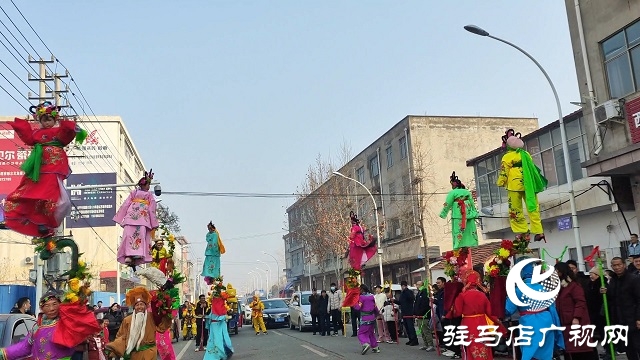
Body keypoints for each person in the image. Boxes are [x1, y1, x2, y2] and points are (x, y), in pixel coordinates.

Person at [4, 102, 86, 237]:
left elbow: (67, 134)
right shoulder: (36, 133)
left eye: (50, 119)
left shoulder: (58, 132)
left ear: (55, 120)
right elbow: (28, 138)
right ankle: (26, 215)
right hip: (38, 167)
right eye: (44, 119)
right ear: (39, 120)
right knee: (30, 190)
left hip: (54, 167)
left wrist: (71, 127)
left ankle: (44, 222)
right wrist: (19, 126)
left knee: (49, 194)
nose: (47, 122)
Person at [0, 290, 100, 360]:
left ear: (60, 305)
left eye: (55, 304)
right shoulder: (37, 327)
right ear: (42, 309)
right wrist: (3, 353)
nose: (51, 308)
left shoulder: (66, 323)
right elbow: (25, 347)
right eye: (47, 305)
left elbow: (80, 324)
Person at [506, 259, 565, 360]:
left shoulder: (517, 290)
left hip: (529, 323)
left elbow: (508, 310)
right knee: (546, 353)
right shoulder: (544, 288)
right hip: (547, 320)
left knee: (530, 353)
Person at [496, 129, 548, 242]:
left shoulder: (507, 157)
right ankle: (539, 231)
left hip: (514, 185)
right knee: (533, 207)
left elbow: (504, 172)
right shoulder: (526, 154)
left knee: (515, 209)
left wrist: (500, 182)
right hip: (528, 183)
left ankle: (522, 231)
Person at [105, 287, 172, 360]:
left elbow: (162, 327)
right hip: (134, 356)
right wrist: (114, 351)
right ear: (134, 307)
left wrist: (167, 313)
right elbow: (121, 337)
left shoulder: (152, 317)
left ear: (145, 306)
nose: (139, 307)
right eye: (137, 305)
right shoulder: (127, 320)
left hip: (149, 355)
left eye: (141, 304)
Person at [453, 270, 505, 360]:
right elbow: (490, 312)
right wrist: (498, 323)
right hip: (482, 322)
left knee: (471, 346)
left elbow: (457, 312)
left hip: (468, 323)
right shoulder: (482, 295)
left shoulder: (462, 295)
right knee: (484, 344)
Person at [113, 170, 159, 269]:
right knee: (132, 235)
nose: (149, 187)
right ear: (144, 185)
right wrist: (154, 222)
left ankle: (133, 255)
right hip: (141, 218)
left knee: (134, 235)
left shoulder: (141, 194)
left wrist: (119, 217)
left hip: (134, 217)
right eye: (148, 185)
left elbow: (126, 204)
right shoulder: (141, 194)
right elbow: (152, 208)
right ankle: (129, 255)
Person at [554, 262, 599, 360]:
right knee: (571, 350)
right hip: (565, 323)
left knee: (581, 349)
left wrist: (576, 317)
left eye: (556, 271)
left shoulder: (574, 286)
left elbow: (580, 302)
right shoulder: (561, 287)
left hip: (576, 322)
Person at [601, 256, 640, 358]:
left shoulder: (633, 279)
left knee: (638, 345)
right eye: (614, 265)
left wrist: (638, 318)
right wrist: (605, 292)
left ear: (624, 265)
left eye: (619, 265)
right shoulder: (613, 280)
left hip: (633, 318)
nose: (617, 267)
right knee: (628, 348)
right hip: (620, 319)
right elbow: (613, 298)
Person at [439, 171, 479, 249]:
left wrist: (443, 214)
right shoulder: (467, 192)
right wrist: (475, 213)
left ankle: (457, 246)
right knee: (469, 230)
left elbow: (447, 203)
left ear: (454, 184)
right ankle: (472, 242)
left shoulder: (452, 192)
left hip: (458, 214)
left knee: (458, 232)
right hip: (469, 214)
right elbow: (472, 203)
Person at [353, 284, 380, 354]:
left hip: (365, 318)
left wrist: (354, 304)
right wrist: (378, 314)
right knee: (371, 333)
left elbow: (358, 307)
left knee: (361, 333)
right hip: (372, 318)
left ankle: (365, 344)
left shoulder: (362, 297)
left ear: (362, 290)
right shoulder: (371, 296)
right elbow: (375, 307)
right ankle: (375, 347)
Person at [414, 280, 435, 351]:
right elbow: (416, 304)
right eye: (417, 285)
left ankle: (430, 345)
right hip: (419, 315)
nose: (417, 286)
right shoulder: (418, 293)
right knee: (422, 331)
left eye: (419, 285)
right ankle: (425, 344)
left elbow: (425, 305)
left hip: (424, 315)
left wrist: (421, 313)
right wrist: (415, 313)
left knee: (426, 330)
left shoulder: (425, 293)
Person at [398, 281, 418, 346]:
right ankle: (410, 339)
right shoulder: (402, 293)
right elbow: (400, 302)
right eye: (402, 286)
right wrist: (394, 301)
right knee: (406, 327)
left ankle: (414, 340)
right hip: (404, 312)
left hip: (409, 312)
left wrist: (406, 291)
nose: (402, 287)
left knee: (410, 327)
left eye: (403, 286)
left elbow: (412, 298)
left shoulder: (409, 292)